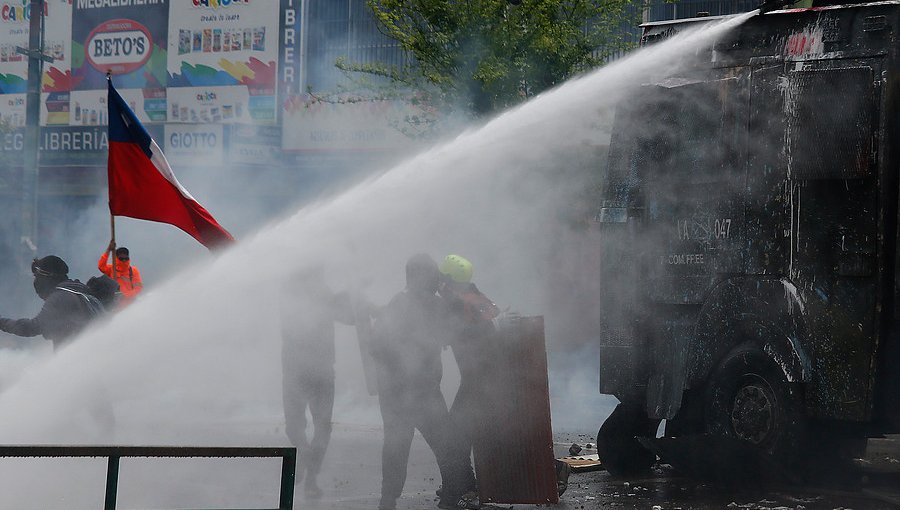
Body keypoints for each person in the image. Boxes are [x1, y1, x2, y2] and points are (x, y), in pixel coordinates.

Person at [371, 253, 477, 510]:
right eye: (432, 275)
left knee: (396, 447)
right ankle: (455, 495)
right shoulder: (431, 305)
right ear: (419, 277)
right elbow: (455, 331)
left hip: (397, 393)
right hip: (421, 392)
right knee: (446, 445)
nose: (437, 280)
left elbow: (376, 345)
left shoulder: (397, 303)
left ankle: (388, 500)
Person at [279, 266, 356, 499]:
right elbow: (349, 317)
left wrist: (350, 297)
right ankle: (306, 462)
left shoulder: (317, 295)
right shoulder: (313, 296)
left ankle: (307, 465)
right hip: (307, 372)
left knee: (307, 426)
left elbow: (349, 317)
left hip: (309, 372)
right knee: (315, 426)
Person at [438, 255, 499, 496]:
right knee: (467, 434)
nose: (439, 283)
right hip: (484, 380)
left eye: (443, 278)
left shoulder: (455, 303)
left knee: (454, 436)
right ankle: (465, 485)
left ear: (450, 280)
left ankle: (463, 488)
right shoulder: (475, 297)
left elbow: (438, 334)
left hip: (477, 382)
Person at [0, 255, 103, 350]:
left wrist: (1, 322)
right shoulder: (79, 290)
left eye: (37, 276)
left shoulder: (60, 298)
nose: (35, 281)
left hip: (77, 361)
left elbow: (31, 328)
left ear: (48, 277)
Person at [98, 242, 143, 307]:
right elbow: (101, 266)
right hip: (115, 305)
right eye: (121, 259)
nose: (124, 260)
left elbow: (138, 288)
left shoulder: (133, 271)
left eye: (126, 258)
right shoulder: (111, 269)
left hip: (131, 305)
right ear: (116, 258)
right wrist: (108, 250)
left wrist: (125, 295)